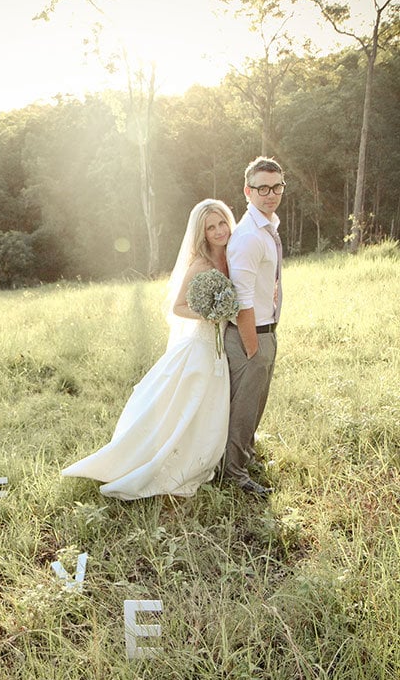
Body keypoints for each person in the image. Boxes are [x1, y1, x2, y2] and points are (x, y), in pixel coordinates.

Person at [62, 199, 236, 500]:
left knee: (208, 408)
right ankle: (160, 462)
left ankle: (208, 458)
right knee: (185, 405)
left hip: (220, 349)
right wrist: (211, 312)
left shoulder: (232, 257)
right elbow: (179, 307)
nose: (219, 231)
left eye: (222, 223)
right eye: (211, 227)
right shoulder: (201, 264)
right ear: (202, 233)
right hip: (202, 344)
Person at [223, 157, 285, 497]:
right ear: (248, 191)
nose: (270, 194)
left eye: (276, 187)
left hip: (266, 330)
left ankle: (243, 457)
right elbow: (242, 300)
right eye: (262, 188)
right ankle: (233, 473)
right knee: (244, 408)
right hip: (252, 335)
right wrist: (252, 347)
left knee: (257, 403)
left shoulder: (268, 227)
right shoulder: (248, 237)